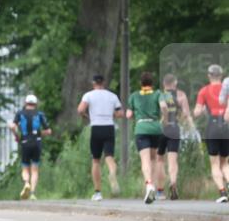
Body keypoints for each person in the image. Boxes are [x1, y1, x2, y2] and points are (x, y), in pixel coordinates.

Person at [78, 75, 123, 201]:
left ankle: (97, 192)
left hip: (96, 127)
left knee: (96, 160)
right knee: (109, 156)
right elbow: (120, 113)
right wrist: (111, 114)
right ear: (103, 83)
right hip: (109, 127)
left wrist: (86, 116)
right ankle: (112, 174)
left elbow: (80, 109)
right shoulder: (112, 96)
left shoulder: (88, 95)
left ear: (93, 83)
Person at [126, 71, 164, 204]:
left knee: (145, 160)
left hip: (141, 128)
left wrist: (136, 115)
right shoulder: (158, 94)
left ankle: (149, 184)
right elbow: (164, 107)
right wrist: (162, 119)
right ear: (152, 83)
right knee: (154, 159)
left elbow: (128, 115)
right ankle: (153, 187)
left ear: (140, 83)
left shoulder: (134, 96)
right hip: (155, 127)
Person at [193, 64, 229, 203]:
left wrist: (201, 110)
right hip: (226, 126)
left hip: (212, 126)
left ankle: (222, 192)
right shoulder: (226, 89)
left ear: (209, 76)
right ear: (221, 75)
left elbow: (196, 112)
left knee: (214, 163)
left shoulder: (204, 91)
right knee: (225, 163)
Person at [156, 74, 193, 201]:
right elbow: (186, 114)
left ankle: (160, 190)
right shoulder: (181, 95)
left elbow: (160, 108)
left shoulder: (160, 95)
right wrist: (187, 125)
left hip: (161, 128)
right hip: (174, 128)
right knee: (173, 159)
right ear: (175, 83)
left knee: (160, 159)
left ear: (164, 84)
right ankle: (173, 182)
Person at [10, 95, 52, 200]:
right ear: (36, 104)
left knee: (25, 167)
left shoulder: (20, 113)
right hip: (37, 143)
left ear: (25, 103)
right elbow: (48, 131)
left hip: (25, 142)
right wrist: (38, 134)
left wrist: (16, 136)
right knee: (35, 169)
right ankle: (32, 193)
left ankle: (26, 183)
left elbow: (12, 126)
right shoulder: (40, 114)